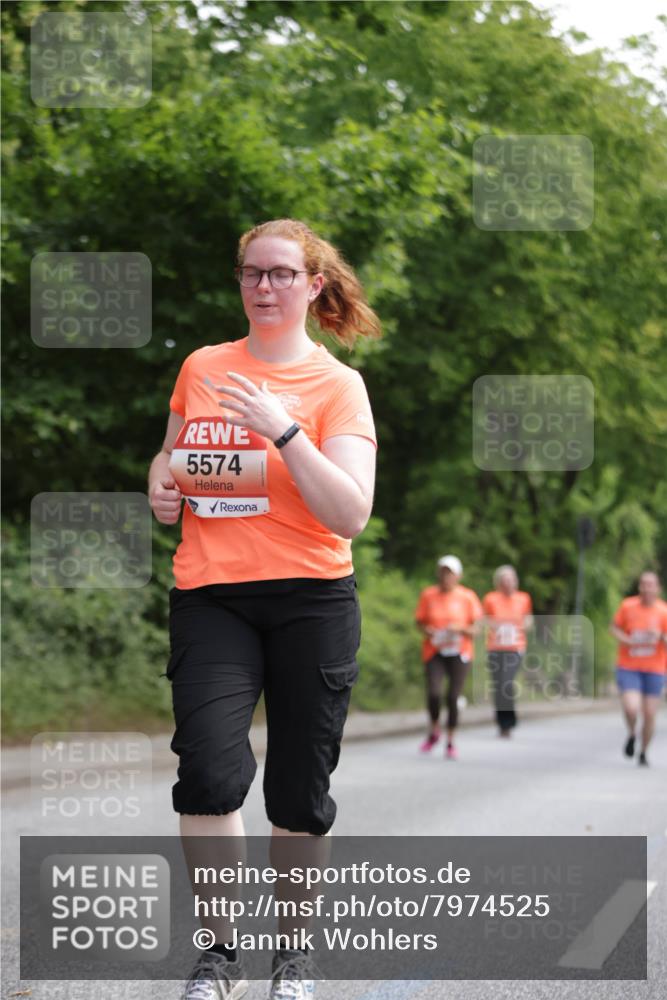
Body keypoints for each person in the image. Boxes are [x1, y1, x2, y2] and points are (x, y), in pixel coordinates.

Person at [148, 218, 380, 1000]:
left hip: (312, 599)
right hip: (212, 595)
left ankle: (294, 957)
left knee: (296, 793)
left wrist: (282, 429)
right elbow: (174, 449)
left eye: (281, 274)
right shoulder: (203, 366)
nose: (264, 287)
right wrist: (161, 480)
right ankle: (218, 955)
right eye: (252, 273)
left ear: (313, 285)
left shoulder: (337, 386)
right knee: (209, 776)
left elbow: (349, 513)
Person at [415, 555, 483, 760]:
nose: (446, 576)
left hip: (460, 652)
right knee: (434, 693)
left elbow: (477, 628)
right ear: (438, 573)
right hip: (435, 650)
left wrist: (460, 628)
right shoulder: (429, 595)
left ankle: (451, 739)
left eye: (450, 572)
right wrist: (428, 630)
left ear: (458, 576)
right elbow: (419, 622)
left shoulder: (467, 597)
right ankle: (435, 729)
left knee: (453, 697)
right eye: (443, 571)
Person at [610, 571, 667, 766]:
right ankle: (632, 734)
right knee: (632, 708)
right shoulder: (627, 606)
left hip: (655, 668)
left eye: (651, 585)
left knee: (650, 713)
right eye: (643, 584)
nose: (647, 588)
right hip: (629, 666)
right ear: (639, 587)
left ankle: (643, 751)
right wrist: (627, 640)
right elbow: (614, 628)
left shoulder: (663, 611)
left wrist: (660, 636)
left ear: (658, 588)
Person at [482, 565, 533, 738]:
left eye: (511, 580)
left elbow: (528, 619)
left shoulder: (523, 598)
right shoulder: (491, 599)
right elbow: (484, 619)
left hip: (515, 647)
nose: (508, 584)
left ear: (516, 582)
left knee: (507, 682)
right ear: (499, 583)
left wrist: (520, 626)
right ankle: (501, 722)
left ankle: (509, 720)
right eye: (504, 581)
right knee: (498, 685)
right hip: (495, 647)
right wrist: (497, 626)